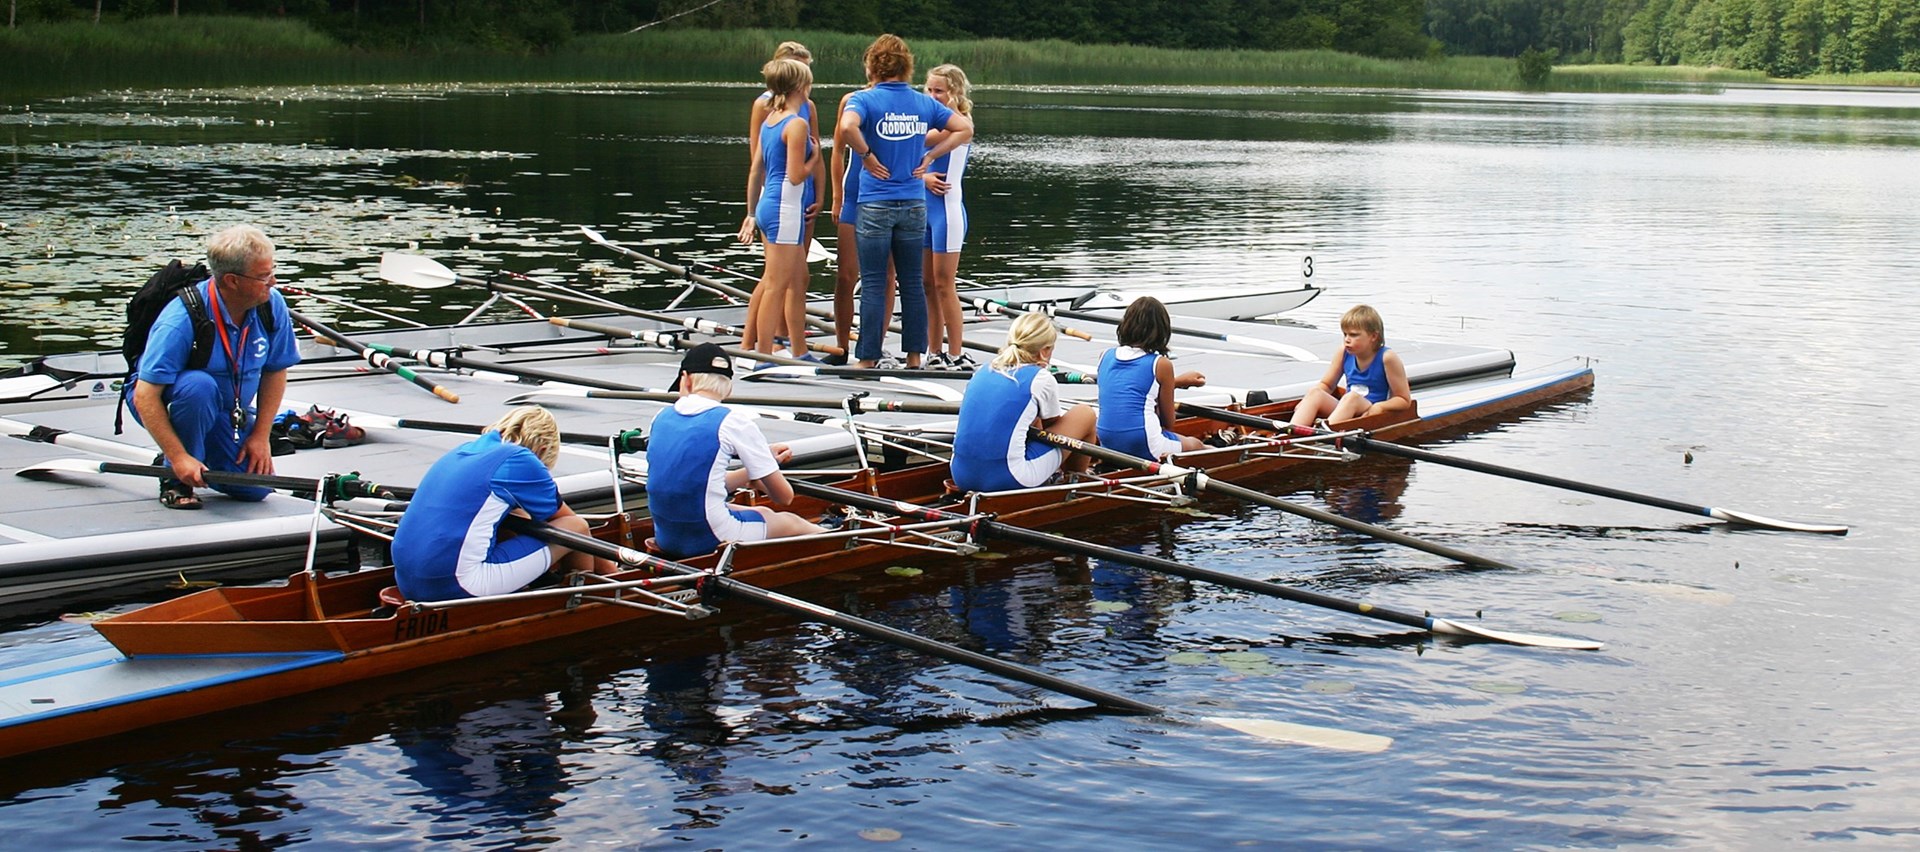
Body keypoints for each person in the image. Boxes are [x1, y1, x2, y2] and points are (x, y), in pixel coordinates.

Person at [130, 224, 300, 509]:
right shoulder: (180, 319)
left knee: (255, 490)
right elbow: (144, 395)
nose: (273, 281)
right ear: (232, 281)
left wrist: (261, 436)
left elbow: (275, 370)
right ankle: (175, 475)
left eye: (272, 271)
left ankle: (192, 455)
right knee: (199, 387)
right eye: (264, 276)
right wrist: (180, 457)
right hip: (176, 399)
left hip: (225, 407)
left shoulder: (271, 305)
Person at [837, 34, 974, 370]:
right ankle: (915, 357)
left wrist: (866, 155)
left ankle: (868, 357)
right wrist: (929, 159)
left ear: (872, 67)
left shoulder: (864, 99)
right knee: (912, 282)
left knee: (874, 282)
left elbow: (847, 127)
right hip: (914, 204)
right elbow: (964, 129)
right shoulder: (921, 103)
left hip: (876, 202)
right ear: (907, 67)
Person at [392, 406, 615, 603]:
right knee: (576, 527)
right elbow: (570, 523)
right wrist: (615, 573)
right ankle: (590, 596)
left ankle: (539, 584)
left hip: (408, 582)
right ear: (543, 450)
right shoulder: (521, 459)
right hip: (458, 583)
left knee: (513, 517)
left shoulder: (463, 451)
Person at [645, 342, 823, 559]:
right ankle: (843, 539)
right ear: (729, 388)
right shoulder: (734, 421)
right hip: (711, 537)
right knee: (790, 521)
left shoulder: (660, 417)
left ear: (686, 379)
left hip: (666, 536)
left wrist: (758, 463)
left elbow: (698, 483)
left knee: (763, 512)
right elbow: (783, 496)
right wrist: (763, 464)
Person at [737, 41, 824, 359]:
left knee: (797, 278)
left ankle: (799, 351)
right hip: (785, 207)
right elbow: (796, 175)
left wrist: (751, 212)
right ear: (801, 85)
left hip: (769, 204)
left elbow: (755, 169)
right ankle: (762, 355)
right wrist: (814, 157)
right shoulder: (795, 123)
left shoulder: (771, 120)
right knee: (776, 284)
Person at [951, 312, 1098, 493]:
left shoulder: (982, 370)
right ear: (1044, 351)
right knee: (1085, 413)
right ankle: (1077, 481)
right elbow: (1053, 429)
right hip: (1009, 477)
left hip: (960, 475)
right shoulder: (1041, 378)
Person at [1096, 297, 1208, 459]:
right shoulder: (1161, 364)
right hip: (1143, 442)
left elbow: (1130, 388)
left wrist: (1176, 383)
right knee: (1196, 445)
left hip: (1106, 439)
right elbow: (1168, 423)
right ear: (1162, 331)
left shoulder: (1105, 355)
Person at [921, 63, 976, 371]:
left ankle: (955, 352)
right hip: (925, 212)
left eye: (939, 91)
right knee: (928, 285)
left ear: (954, 92)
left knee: (944, 285)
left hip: (948, 213)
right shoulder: (928, 122)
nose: (932, 96)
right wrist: (923, 179)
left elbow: (921, 141)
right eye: (929, 90)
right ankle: (934, 351)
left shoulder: (959, 123)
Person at [1289, 304, 1412, 432]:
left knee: (1351, 397)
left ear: (1373, 336)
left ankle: (1325, 435)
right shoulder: (1343, 352)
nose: (1347, 340)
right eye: (1345, 334)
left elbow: (1403, 400)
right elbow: (1327, 385)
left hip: (1370, 412)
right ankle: (1290, 433)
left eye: (1353, 335)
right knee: (1315, 392)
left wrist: (1380, 407)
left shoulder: (1388, 358)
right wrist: (1307, 401)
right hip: (1346, 408)